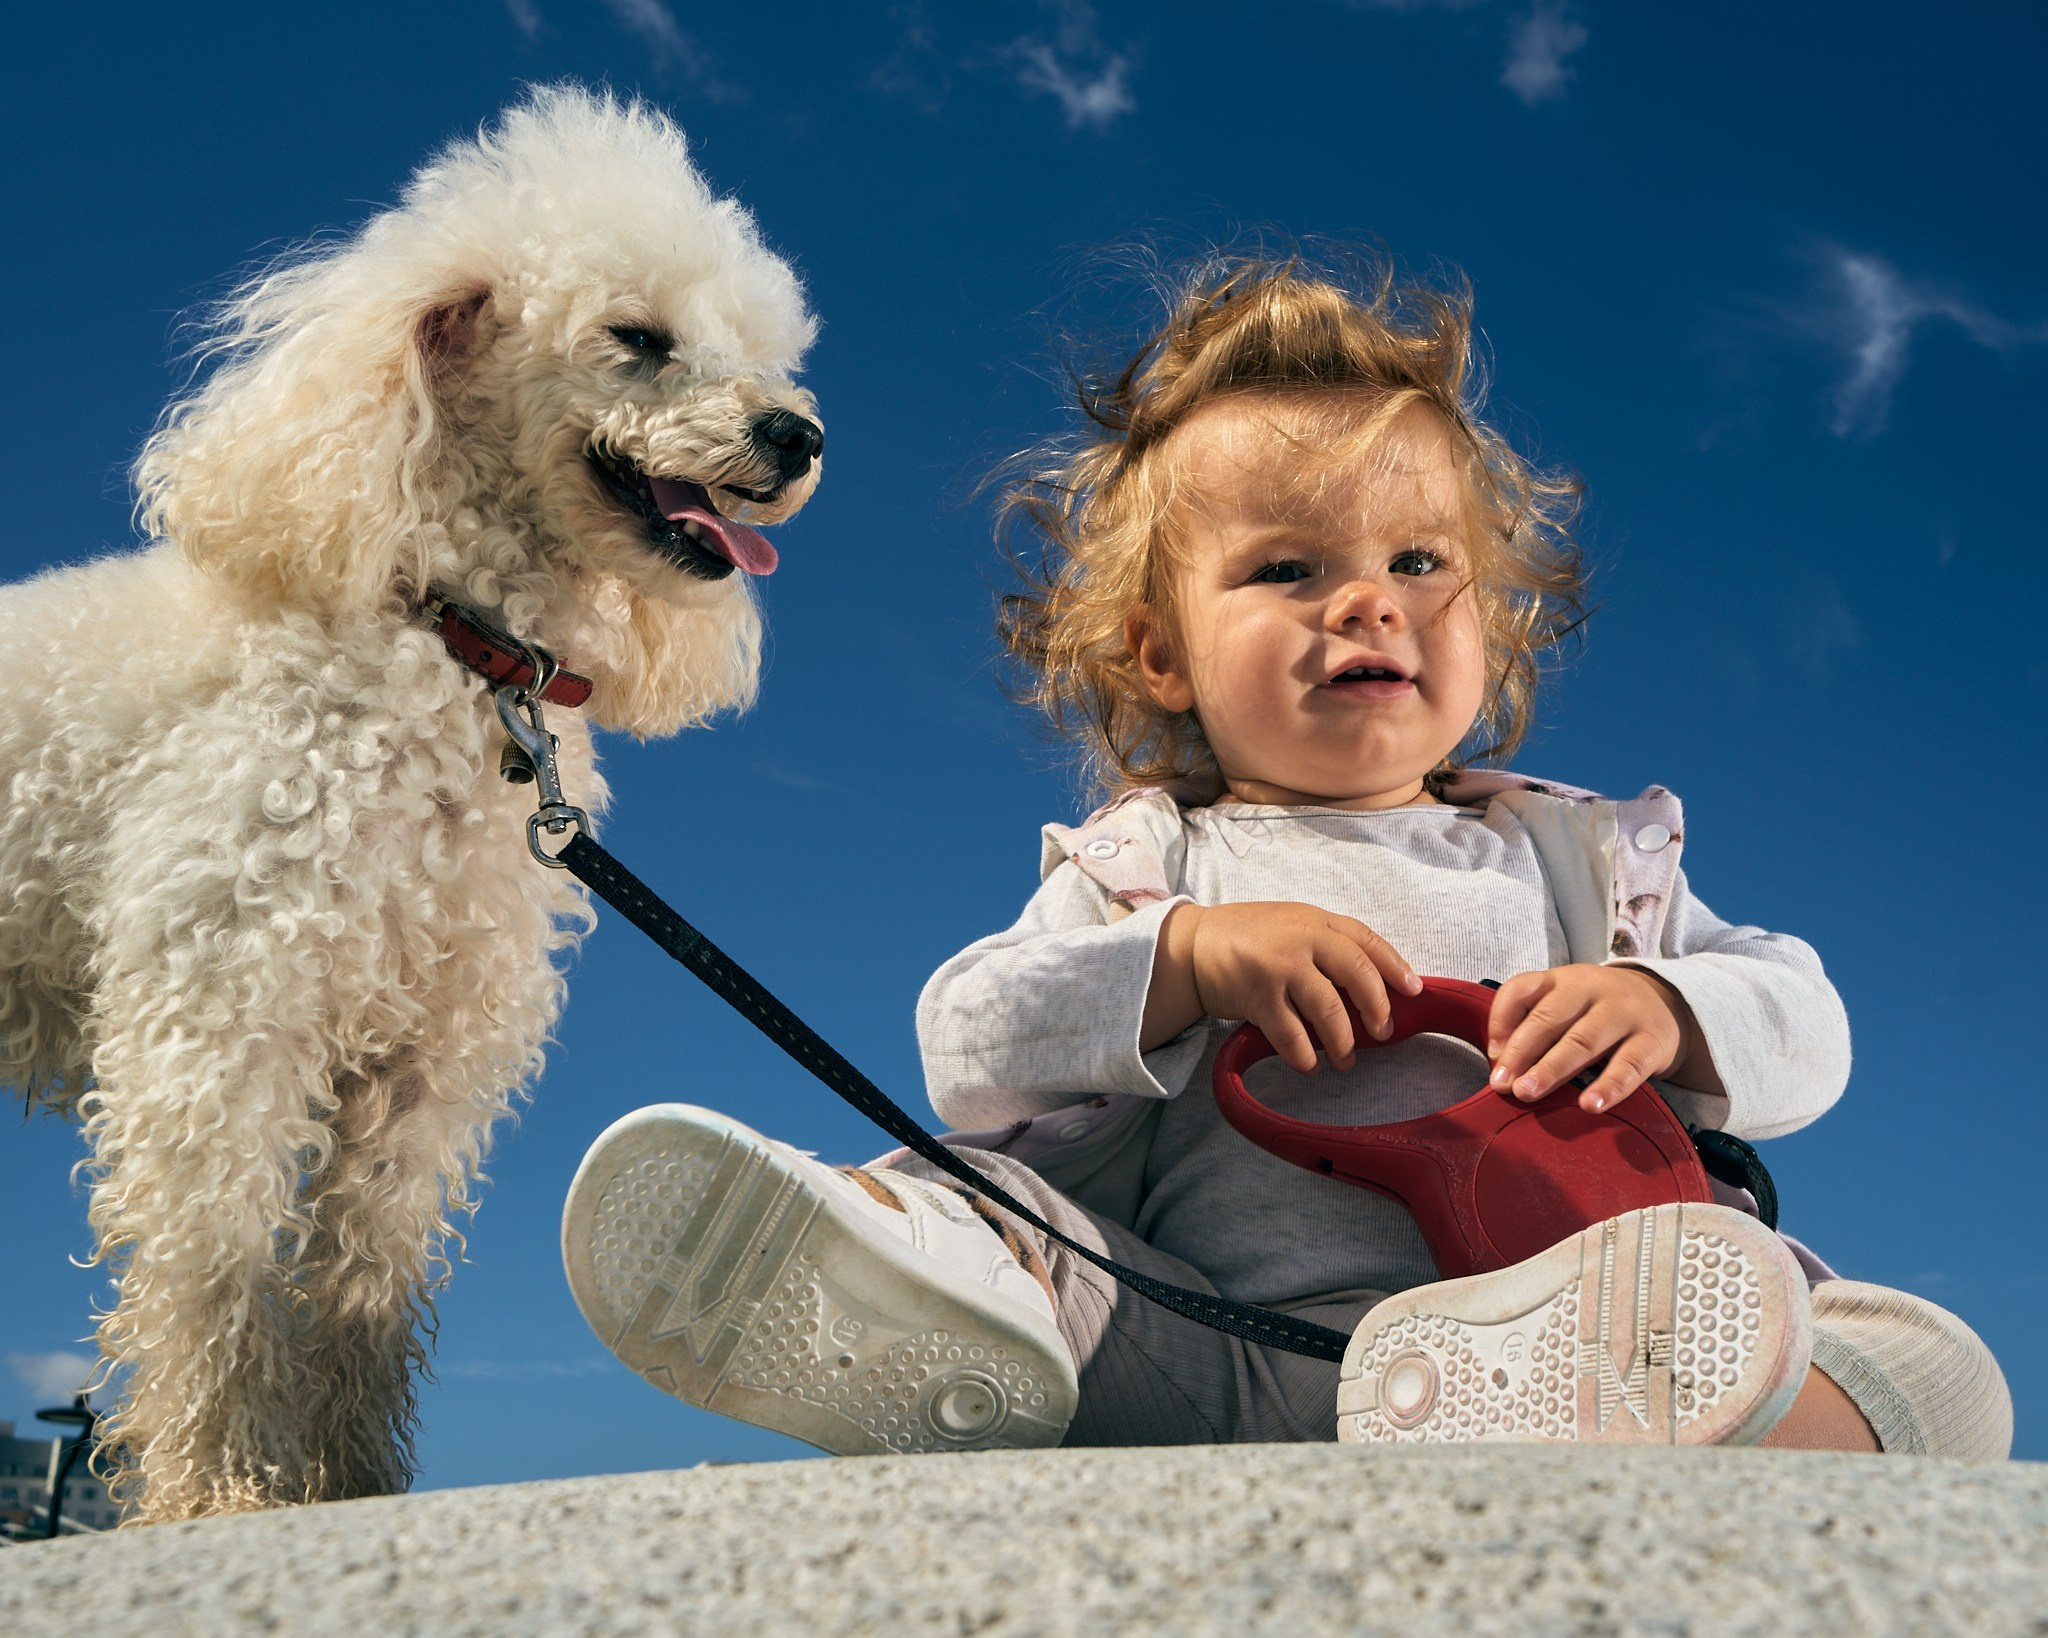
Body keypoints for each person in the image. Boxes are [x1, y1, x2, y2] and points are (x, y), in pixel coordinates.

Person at [562, 257, 2010, 1461]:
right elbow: (965, 1031)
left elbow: (1807, 1020)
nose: (1370, 602)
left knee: (1933, 1367)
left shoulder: (1573, 863)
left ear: (1492, 622)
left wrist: (1673, 1008)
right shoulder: (1158, 860)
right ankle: (857, 1270)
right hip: (1224, 1349)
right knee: (995, 1216)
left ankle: (1545, 1403)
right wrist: (1181, 962)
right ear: (1161, 651)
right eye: (1289, 568)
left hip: (1569, 1339)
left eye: (1422, 564)